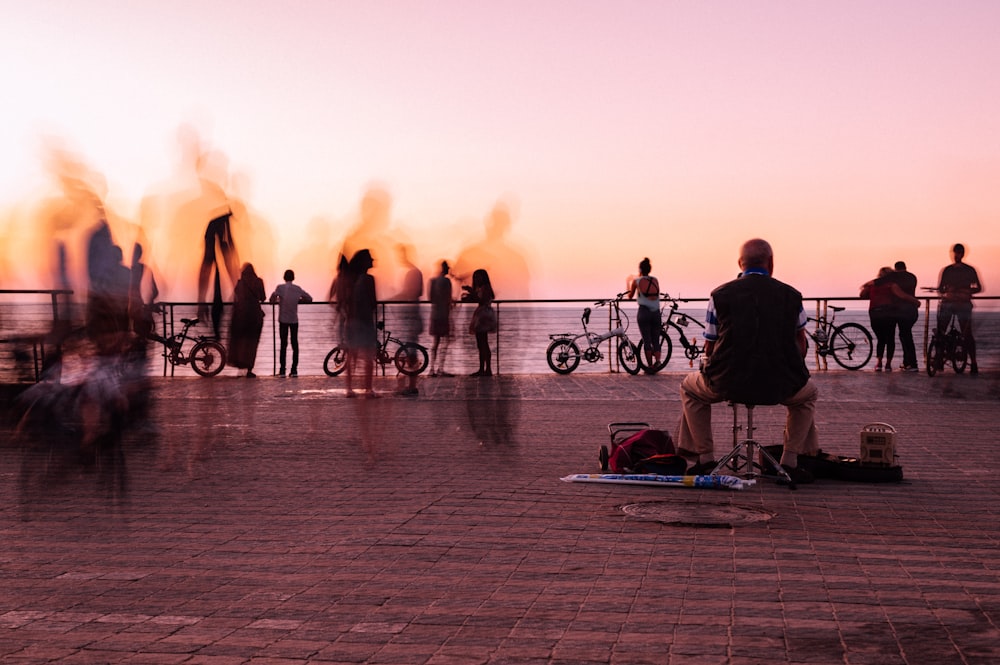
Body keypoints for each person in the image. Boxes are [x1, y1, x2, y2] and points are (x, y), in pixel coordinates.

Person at [675, 238, 818, 484]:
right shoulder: (792, 296)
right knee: (808, 394)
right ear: (771, 263)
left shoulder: (720, 295)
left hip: (728, 382)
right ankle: (791, 462)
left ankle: (704, 458)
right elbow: (801, 344)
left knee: (690, 388)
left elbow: (710, 345)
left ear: (740, 263)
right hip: (780, 384)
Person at [860, 267, 920, 372]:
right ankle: (888, 365)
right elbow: (903, 296)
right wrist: (915, 301)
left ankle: (878, 364)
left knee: (881, 339)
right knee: (890, 338)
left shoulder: (872, 285)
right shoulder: (892, 285)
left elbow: (862, 295)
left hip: (874, 313)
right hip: (888, 313)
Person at [936, 243, 983, 374]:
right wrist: (948, 292)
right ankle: (940, 359)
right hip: (952, 302)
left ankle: (973, 363)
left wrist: (965, 291)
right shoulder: (948, 270)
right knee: (941, 332)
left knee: (966, 332)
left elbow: (978, 287)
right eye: (955, 253)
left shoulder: (968, 270)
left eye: (959, 253)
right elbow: (940, 288)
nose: (957, 255)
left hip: (961, 303)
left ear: (962, 254)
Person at [337, 249, 378, 397]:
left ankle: (349, 389)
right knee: (368, 358)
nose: (373, 261)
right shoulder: (368, 279)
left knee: (351, 357)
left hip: (351, 322)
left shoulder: (349, 280)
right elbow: (373, 302)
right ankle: (368, 389)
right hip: (365, 322)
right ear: (364, 263)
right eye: (370, 259)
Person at [269, 269, 313, 377]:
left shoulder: (280, 288)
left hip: (283, 320)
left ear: (284, 277)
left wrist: (276, 297)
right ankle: (294, 370)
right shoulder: (297, 289)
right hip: (294, 320)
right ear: (293, 278)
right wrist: (298, 301)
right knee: (295, 344)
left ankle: (282, 370)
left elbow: (271, 300)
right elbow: (310, 299)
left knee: (283, 344)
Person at [393, 244, 423, 396]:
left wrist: (392, 298)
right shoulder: (415, 272)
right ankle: (408, 384)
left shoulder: (413, 273)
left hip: (410, 317)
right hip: (410, 316)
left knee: (410, 352)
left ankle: (410, 386)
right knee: (408, 350)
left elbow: (409, 292)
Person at [228, 263, 266, 378]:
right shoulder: (258, 281)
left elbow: (236, 297)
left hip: (242, 316)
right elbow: (263, 297)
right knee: (252, 344)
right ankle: (249, 369)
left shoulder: (240, 283)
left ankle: (241, 367)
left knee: (242, 343)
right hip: (255, 316)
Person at [626, 257, 662, 370]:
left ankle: (650, 366)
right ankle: (658, 361)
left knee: (647, 339)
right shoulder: (655, 280)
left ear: (640, 269)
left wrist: (628, 282)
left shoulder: (637, 281)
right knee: (656, 339)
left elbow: (630, 296)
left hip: (644, 312)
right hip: (656, 312)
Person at [887, 261, 920, 372]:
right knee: (906, 334)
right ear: (905, 267)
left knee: (905, 336)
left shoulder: (894, 278)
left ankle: (912, 363)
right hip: (912, 310)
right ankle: (907, 362)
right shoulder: (912, 277)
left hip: (901, 311)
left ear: (895, 268)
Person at [463, 268, 496, 377]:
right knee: (481, 343)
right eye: (475, 277)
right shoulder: (482, 288)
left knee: (483, 343)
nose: (476, 279)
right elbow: (478, 299)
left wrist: (472, 292)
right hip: (482, 314)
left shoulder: (485, 288)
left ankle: (487, 369)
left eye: (478, 277)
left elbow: (482, 300)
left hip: (484, 315)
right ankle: (483, 368)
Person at [428, 260, 455, 377]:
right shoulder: (447, 281)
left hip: (434, 314)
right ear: (445, 269)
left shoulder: (432, 281)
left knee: (435, 343)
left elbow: (431, 298)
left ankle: (432, 368)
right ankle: (440, 368)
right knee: (445, 342)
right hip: (444, 314)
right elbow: (449, 298)